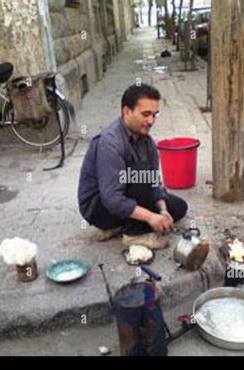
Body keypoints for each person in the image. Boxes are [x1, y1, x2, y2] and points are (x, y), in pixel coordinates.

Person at [78, 84, 188, 250]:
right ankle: (134, 235)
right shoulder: (110, 143)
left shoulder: (147, 141)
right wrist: (151, 217)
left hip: (128, 195)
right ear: (126, 112)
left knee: (178, 207)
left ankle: (120, 227)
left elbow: (154, 182)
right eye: (145, 114)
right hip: (99, 208)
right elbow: (112, 198)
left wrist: (163, 211)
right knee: (140, 173)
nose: (151, 121)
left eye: (154, 114)